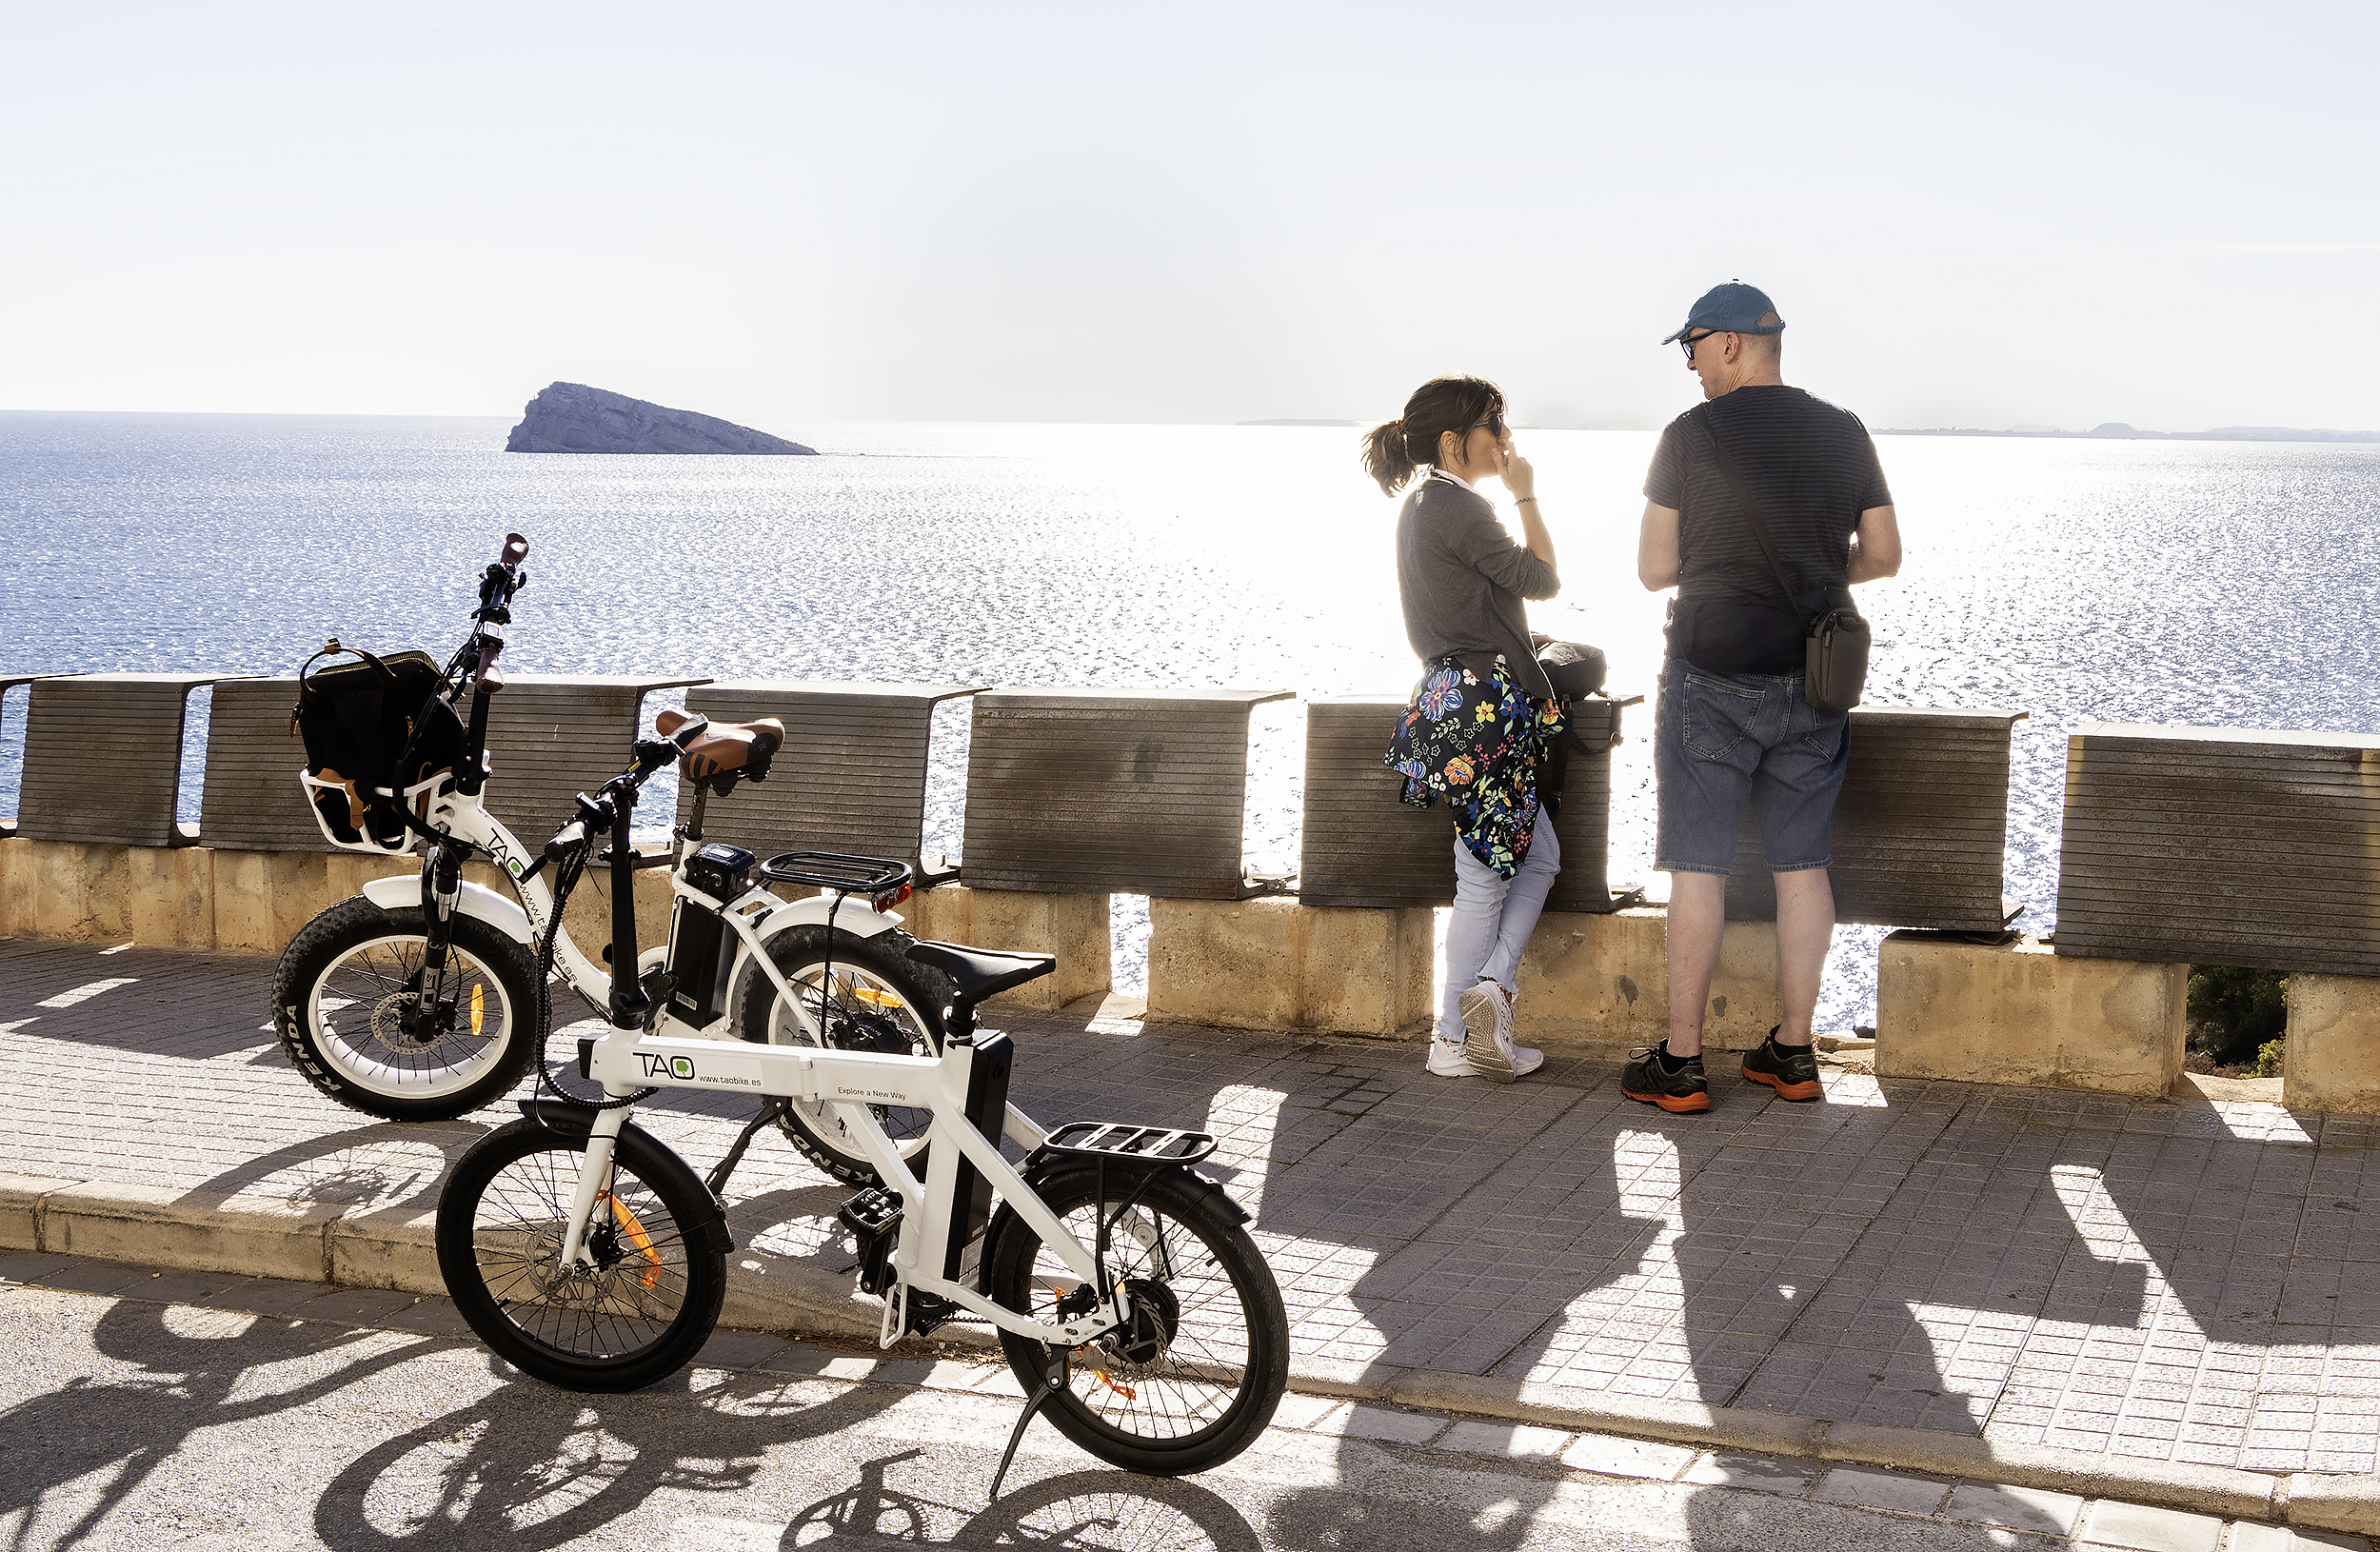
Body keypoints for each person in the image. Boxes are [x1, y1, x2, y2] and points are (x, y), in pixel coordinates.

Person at [1623, 284, 1903, 1114]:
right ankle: (1794, 1051)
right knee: (1802, 863)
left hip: (1710, 673)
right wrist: (1824, 571)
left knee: (1699, 866)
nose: (1690, 364)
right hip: (1812, 681)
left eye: (1695, 346)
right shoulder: (1843, 429)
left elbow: (1651, 570)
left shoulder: (1689, 436)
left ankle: (1681, 1063)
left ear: (1735, 344)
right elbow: (1884, 555)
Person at [1364, 376, 1563, 1083]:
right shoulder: (1460, 507)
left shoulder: (1423, 506)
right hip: (1484, 708)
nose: (1504, 440)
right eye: (1493, 426)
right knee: (1482, 880)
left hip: (1455, 699)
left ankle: (1487, 1004)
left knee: (1537, 858)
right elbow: (1542, 577)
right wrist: (1526, 493)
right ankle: (1455, 1035)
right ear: (1455, 441)